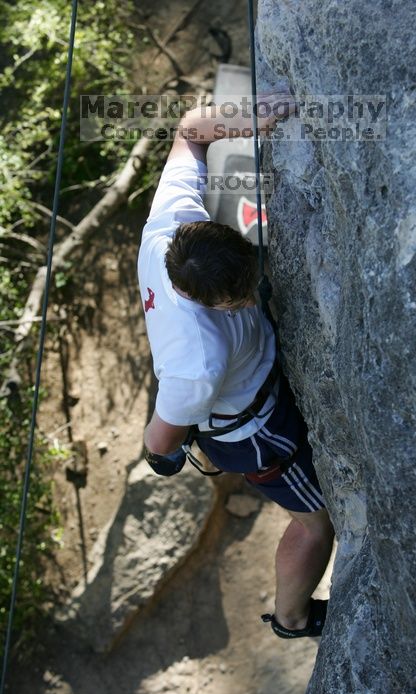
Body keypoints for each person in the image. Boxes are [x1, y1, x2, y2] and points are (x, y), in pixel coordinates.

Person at [137, 95, 334, 638]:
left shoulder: (170, 229)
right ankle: (292, 618)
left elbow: (191, 130)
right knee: (316, 525)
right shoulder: (195, 362)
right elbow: (160, 439)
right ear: (202, 302)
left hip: (257, 384)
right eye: (236, 303)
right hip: (253, 429)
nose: (250, 302)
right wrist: (165, 455)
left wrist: (250, 115)